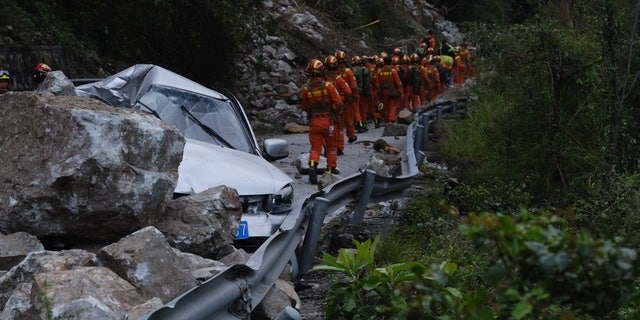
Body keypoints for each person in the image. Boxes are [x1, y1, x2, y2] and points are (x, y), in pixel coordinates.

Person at [300, 59, 342, 184]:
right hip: (328, 121)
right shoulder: (329, 86)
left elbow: (304, 106)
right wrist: (336, 114)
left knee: (315, 148)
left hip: (314, 122)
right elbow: (339, 103)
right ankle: (330, 169)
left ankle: (313, 165)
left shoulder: (307, 89)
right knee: (331, 146)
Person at [324, 54, 353, 156]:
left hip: (326, 108)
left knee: (327, 128)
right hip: (338, 107)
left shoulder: (323, 80)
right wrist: (344, 101)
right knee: (339, 128)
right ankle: (339, 148)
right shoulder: (339, 79)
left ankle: (328, 148)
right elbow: (349, 91)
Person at [334, 50, 360, 142]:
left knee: (338, 121)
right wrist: (355, 96)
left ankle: (337, 138)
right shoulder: (348, 72)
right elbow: (354, 86)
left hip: (336, 100)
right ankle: (351, 136)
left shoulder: (334, 73)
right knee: (349, 119)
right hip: (347, 99)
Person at [377, 52, 404, 122]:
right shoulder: (393, 71)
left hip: (383, 91)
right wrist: (401, 92)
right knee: (393, 105)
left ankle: (386, 119)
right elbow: (399, 82)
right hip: (392, 91)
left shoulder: (380, 71)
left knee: (385, 106)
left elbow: (378, 83)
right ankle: (391, 119)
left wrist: (379, 92)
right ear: (391, 62)